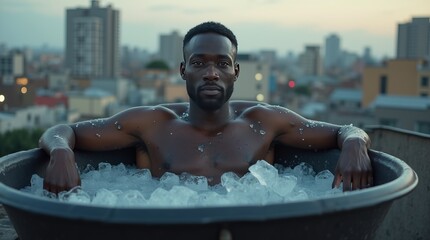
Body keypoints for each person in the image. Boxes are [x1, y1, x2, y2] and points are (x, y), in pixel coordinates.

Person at [39, 21, 372, 194]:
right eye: (199, 63)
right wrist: (61, 153)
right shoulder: (153, 124)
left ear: (235, 72)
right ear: (184, 70)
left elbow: (343, 131)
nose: (212, 72)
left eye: (222, 63)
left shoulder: (263, 122)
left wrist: (356, 141)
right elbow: (62, 131)